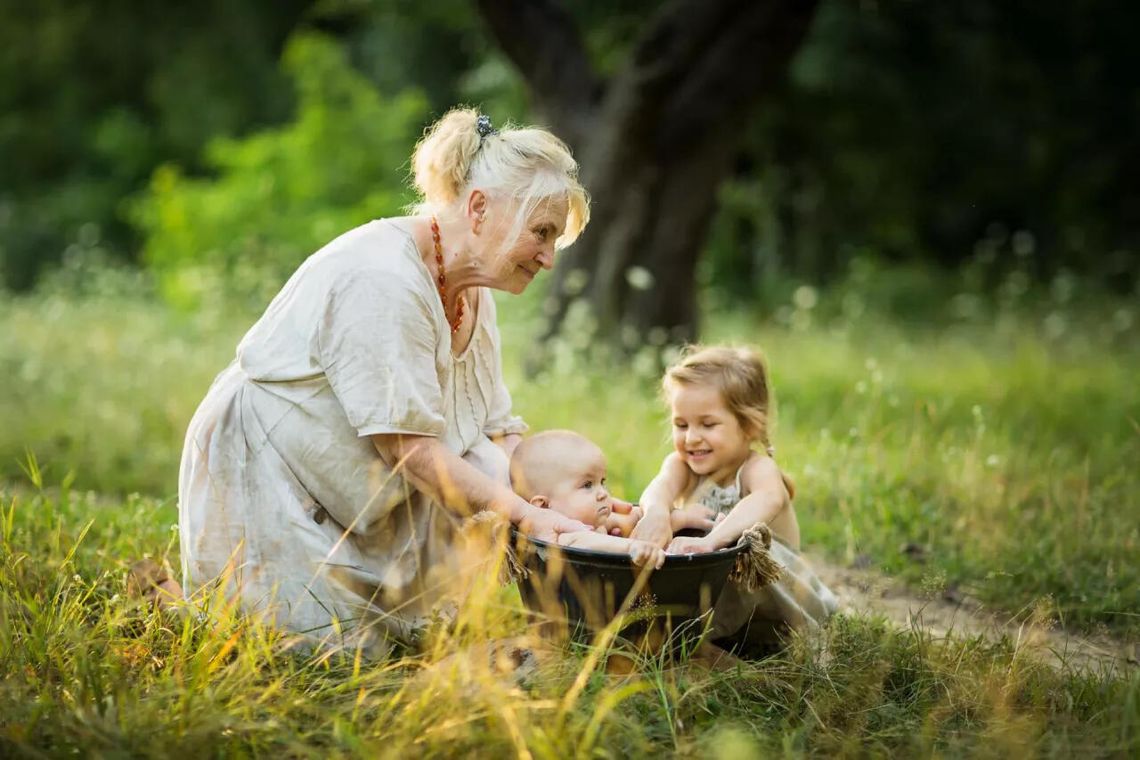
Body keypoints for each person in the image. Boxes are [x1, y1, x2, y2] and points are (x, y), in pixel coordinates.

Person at [178, 108, 592, 657]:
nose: (546, 257)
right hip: (273, 471)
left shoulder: (474, 289)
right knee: (323, 660)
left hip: (360, 483)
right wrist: (524, 514)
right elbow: (406, 447)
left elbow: (495, 435)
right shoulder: (383, 279)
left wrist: (572, 502)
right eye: (541, 233)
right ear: (479, 208)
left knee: (490, 476)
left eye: (553, 240)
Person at [637, 346, 838, 649]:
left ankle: (699, 638)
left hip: (778, 606)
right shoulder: (682, 466)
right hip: (722, 603)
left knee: (731, 544)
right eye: (681, 425)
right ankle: (682, 632)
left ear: (748, 426)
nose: (691, 437)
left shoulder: (757, 470)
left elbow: (767, 499)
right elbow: (659, 488)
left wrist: (711, 541)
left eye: (708, 424)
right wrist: (656, 513)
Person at [509, 430, 714, 566]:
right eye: (587, 485)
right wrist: (631, 547)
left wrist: (682, 518)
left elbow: (636, 520)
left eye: (602, 482)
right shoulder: (563, 537)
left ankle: (706, 524)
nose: (603, 493)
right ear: (544, 505)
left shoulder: (597, 520)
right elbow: (587, 543)